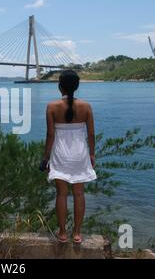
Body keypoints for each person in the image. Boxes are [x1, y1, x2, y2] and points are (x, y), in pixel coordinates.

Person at [40, 70, 97, 244]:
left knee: (62, 194)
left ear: (60, 86)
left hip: (60, 154)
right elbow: (91, 134)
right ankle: (77, 233)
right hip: (80, 154)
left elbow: (50, 135)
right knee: (79, 194)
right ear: (77, 86)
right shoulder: (86, 106)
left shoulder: (52, 107)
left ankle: (63, 232)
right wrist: (92, 154)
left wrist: (45, 158)